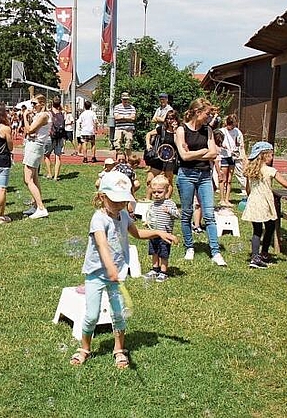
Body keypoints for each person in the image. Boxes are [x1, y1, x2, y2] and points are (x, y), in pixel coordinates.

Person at [69, 171, 178, 368]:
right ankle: (85, 348)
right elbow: (102, 244)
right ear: (103, 197)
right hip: (97, 274)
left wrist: (159, 232)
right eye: (116, 200)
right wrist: (109, 267)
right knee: (92, 315)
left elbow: (137, 234)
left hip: (116, 274)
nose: (120, 205)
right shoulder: (98, 219)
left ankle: (119, 349)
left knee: (118, 314)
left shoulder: (124, 215)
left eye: (123, 200)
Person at [174, 98, 227, 266]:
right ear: (198, 113)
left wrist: (196, 153)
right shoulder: (181, 130)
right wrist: (203, 150)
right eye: (207, 114)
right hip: (186, 175)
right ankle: (189, 247)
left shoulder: (208, 130)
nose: (209, 117)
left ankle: (216, 252)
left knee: (209, 214)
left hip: (205, 175)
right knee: (187, 212)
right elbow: (184, 156)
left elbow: (213, 154)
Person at [241, 141, 287, 268]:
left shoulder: (250, 170)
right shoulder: (270, 170)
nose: (272, 157)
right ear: (264, 155)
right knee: (269, 226)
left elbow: (248, 189)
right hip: (264, 203)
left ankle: (257, 255)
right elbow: (286, 184)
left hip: (253, 202)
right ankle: (260, 255)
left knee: (257, 230)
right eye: (271, 155)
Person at [143, 175, 179, 282]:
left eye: (160, 192)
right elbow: (150, 216)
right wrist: (147, 223)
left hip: (165, 234)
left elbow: (178, 215)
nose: (156, 195)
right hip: (154, 233)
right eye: (154, 192)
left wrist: (169, 211)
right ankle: (155, 269)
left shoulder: (169, 203)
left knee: (163, 253)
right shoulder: (153, 204)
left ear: (166, 191)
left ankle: (163, 272)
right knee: (154, 252)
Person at [22, 94, 51, 219]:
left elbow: (29, 130)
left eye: (34, 103)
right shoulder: (39, 115)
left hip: (35, 146)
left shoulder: (44, 115)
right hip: (33, 145)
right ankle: (36, 205)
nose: (32, 106)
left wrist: (24, 116)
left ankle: (41, 207)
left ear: (42, 104)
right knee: (34, 178)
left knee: (28, 179)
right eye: (32, 103)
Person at [144, 110, 180, 199]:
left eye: (172, 118)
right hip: (159, 157)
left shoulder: (180, 130)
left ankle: (166, 200)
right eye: (168, 118)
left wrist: (175, 131)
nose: (169, 120)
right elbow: (149, 134)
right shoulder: (162, 129)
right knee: (150, 180)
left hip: (170, 158)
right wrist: (148, 144)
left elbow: (179, 143)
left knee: (168, 181)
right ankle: (148, 200)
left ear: (176, 119)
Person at [44, 96, 65, 180]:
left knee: (46, 155)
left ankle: (49, 173)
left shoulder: (49, 113)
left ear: (52, 103)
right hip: (59, 137)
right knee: (58, 156)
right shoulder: (62, 113)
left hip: (50, 136)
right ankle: (56, 176)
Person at [113, 92, 136, 160]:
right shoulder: (117, 107)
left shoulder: (132, 107)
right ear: (121, 99)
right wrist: (127, 117)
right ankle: (119, 159)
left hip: (129, 128)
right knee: (117, 144)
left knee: (128, 144)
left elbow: (133, 118)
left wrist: (122, 117)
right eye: (124, 99)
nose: (125, 101)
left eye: (126, 99)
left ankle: (129, 160)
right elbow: (116, 117)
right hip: (119, 128)